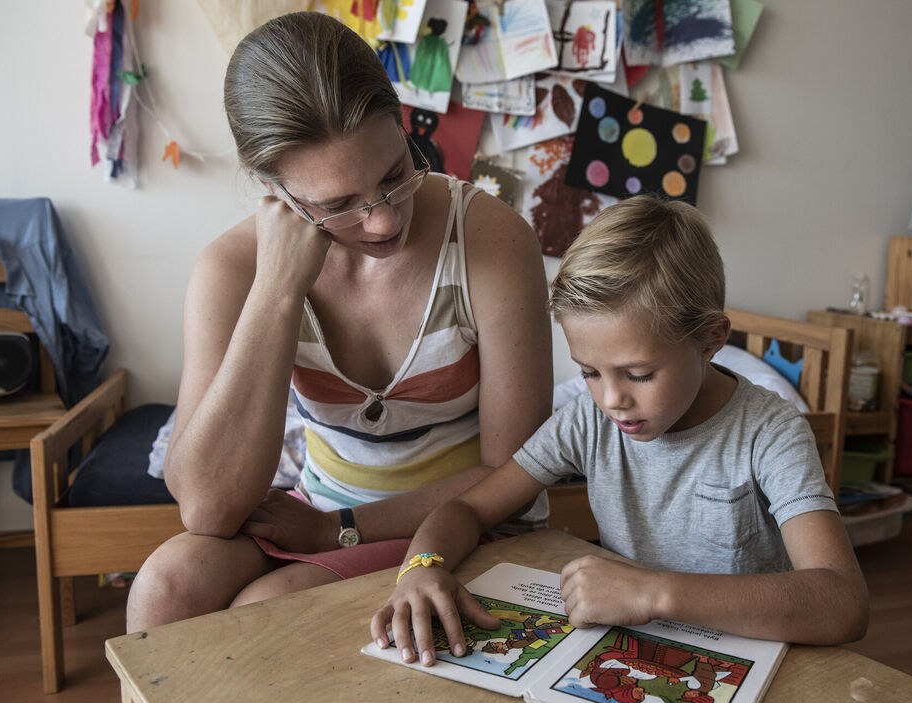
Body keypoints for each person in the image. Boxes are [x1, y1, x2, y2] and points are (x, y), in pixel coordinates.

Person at [125, 12, 553, 631]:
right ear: (272, 189)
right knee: (166, 585)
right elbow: (208, 510)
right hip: (322, 512)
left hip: (466, 523)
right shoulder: (231, 268)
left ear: (402, 124)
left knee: (267, 608)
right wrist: (277, 292)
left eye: (395, 175)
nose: (383, 221)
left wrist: (339, 529)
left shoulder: (490, 240)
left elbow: (513, 474)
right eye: (338, 204)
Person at [370, 195, 869, 665]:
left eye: (639, 374)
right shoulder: (588, 421)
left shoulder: (771, 434)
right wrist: (422, 566)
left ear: (711, 339)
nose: (611, 400)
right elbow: (468, 508)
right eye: (589, 372)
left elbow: (843, 601)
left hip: (751, 665)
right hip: (633, 654)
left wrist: (653, 592)